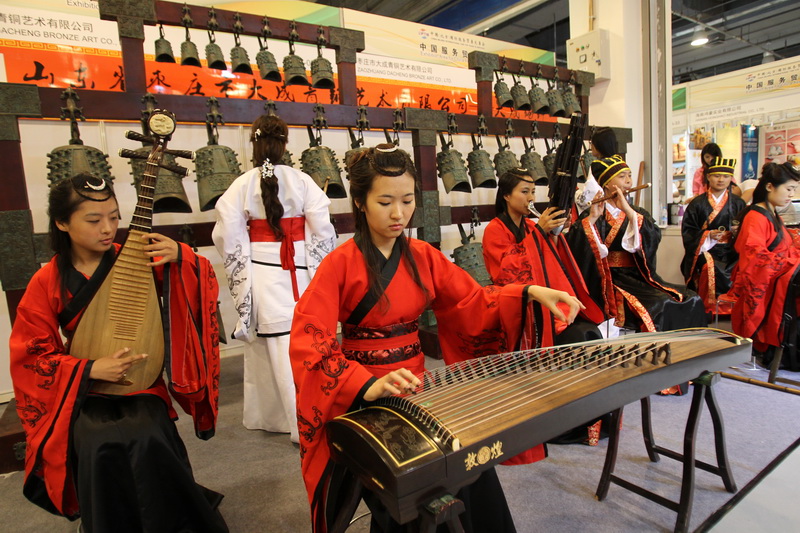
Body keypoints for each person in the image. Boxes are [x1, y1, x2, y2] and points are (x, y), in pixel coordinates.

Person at [289, 144, 583, 533]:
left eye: (408, 200)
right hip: (365, 398)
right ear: (359, 202)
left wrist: (527, 292)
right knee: (411, 489)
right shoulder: (340, 264)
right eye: (385, 201)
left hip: (418, 388)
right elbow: (309, 341)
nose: (399, 213)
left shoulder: (423, 255)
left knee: (470, 465)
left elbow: (473, 302)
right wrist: (365, 383)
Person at [9, 173, 228, 532]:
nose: (108, 228)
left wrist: (181, 257)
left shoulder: (135, 259)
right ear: (62, 223)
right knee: (99, 440)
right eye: (94, 220)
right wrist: (90, 368)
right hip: (85, 389)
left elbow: (195, 285)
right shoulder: (47, 280)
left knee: (147, 433)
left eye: (113, 217)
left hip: (141, 382)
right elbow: (30, 356)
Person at [213, 115, 336, 442]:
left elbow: (227, 236)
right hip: (300, 270)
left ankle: (277, 418)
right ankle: (308, 420)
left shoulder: (241, 185)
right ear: (284, 145)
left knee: (274, 348)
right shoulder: (302, 180)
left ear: (255, 145)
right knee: (308, 342)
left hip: (262, 275)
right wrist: (313, 263)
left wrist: (245, 270)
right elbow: (322, 230)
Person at [567, 155, 707, 334]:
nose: (628, 181)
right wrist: (592, 218)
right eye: (622, 176)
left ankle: (690, 348)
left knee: (690, 298)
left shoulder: (637, 212)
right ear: (607, 184)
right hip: (609, 279)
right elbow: (576, 246)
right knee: (659, 304)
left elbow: (653, 238)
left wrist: (629, 212)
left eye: (629, 176)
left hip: (638, 275)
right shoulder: (594, 212)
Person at [483, 168, 604, 346]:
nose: (531, 198)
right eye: (524, 192)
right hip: (516, 299)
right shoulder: (495, 229)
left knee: (584, 330)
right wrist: (540, 231)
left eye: (533, 192)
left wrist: (555, 232)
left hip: (541, 294)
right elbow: (506, 271)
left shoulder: (530, 226)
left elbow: (551, 257)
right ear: (506, 196)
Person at [729, 162, 800, 370]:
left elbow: (788, 248)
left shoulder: (772, 214)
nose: (791, 195)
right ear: (770, 186)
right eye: (788, 189)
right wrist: (788, 264)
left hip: (778, 277)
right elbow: (755, 256)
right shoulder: (755, 217)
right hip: (763, 281)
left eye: (794, 190)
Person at [680, 157, 746, 313]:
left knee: (741, 265)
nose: (721, 180)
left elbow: (747, 229)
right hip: (706, 249)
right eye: (717, 175)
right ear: (708, 177)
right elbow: (688, 230)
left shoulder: (739, 203)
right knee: (709, 266)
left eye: (726, 176)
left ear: (731, 178)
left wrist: (739, 232)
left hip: (732, 249)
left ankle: (734, 309)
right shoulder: (697, 203)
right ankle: (708, 309)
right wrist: (708, 235)